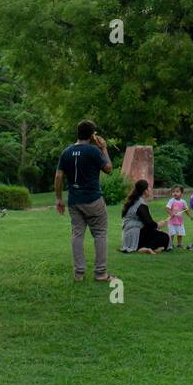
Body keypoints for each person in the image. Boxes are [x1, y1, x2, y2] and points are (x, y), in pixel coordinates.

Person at [55, 120, 113, 282]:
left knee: (77, 235)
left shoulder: (66, 152)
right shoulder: (94, 151)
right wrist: (104, 148)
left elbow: (59, 176)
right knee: (100, 234)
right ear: (92, 135)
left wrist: (59, 198)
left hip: (74, 201)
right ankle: (101, 273)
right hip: (93, 199)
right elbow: (108, 169)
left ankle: (78, 274)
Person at [121, 179, 170, 253]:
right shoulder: (140, 204)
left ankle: (149, 248)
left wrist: (156, 227)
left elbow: (146, 224)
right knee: (165, 237)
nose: (150, 190)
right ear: (145, 191)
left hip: (128, 237)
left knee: (158, 234)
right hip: (135, 235)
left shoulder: (134, 201)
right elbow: (149, 223)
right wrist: (158, 224)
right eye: (148, 188)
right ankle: (146, 248)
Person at [165, 185, 190, 250]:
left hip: (180, 222)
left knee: (180, 233)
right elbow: (167, 208)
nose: (175, 193)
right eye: (173, 192)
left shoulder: (183, 201)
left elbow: (186, 210)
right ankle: (170, 244)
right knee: (172, 233)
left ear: (181, 193)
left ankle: (179, 244)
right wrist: (171, 213)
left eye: (177, 191)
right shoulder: (172, 200)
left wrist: (190, 216)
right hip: (172, 222)